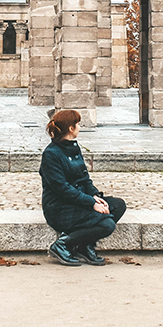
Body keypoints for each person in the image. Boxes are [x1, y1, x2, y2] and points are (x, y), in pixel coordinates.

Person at [39, 109, 127, 266]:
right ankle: (63, 244)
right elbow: (62, 189)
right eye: (77, 124)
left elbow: (84, 179)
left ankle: (84, 245)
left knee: (118, 205)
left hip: (79, 202)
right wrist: (91, 203)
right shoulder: (51, 154)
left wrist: (96, 197)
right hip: (60, 208)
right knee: (107, 224)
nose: (80, 127)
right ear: (71, 129)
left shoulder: (74, 147)